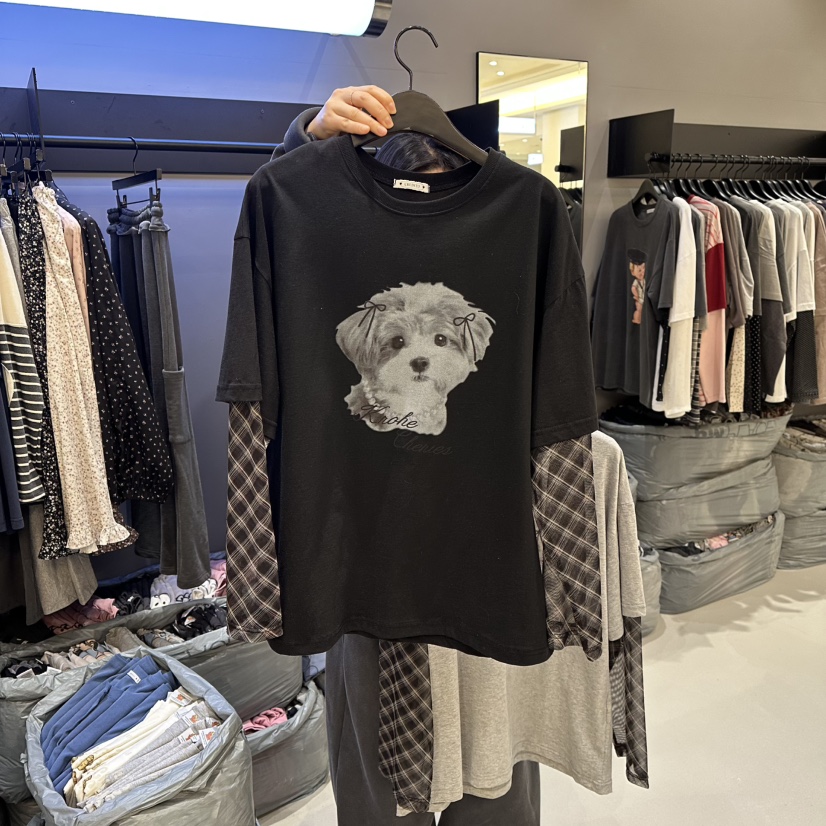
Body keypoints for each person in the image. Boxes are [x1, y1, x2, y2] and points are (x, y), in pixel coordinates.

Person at [267, 85, 542, 826]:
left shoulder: (521, 223)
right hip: (370, 565)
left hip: (486, 566)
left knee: (493, 762)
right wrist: (306, 140)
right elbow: (282, 224)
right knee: (382, 777)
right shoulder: (320, 231)